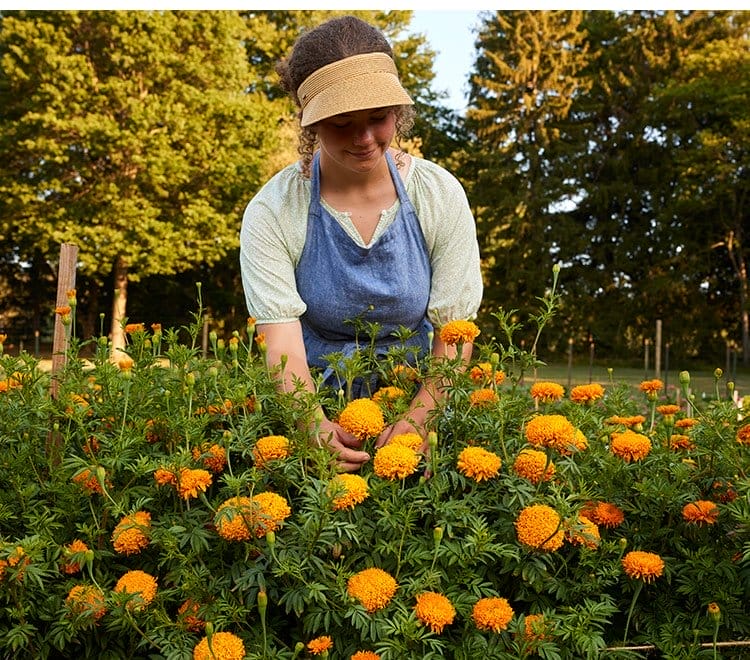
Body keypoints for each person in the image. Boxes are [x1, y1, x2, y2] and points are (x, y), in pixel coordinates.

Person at [239, 15, 482, 472]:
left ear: (398, 111)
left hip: (420, 391)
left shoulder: (438, 194)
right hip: (312, 398)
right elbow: (282, 345)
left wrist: (420, 419)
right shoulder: (275, 209)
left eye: (378, 118)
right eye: (341, 123)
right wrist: (311, 425)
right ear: (310, 124)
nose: (364, 138)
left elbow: (454, 333)